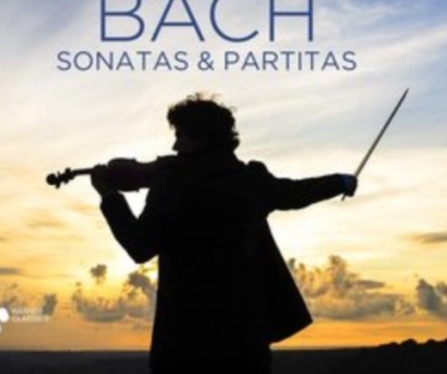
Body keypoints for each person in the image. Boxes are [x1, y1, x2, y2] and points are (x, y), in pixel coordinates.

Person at [91, 93, 357, 374]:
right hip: (246, 341)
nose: (174, 146)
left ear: (201, 136)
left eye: (180, 136)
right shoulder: (248, 180)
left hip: (185, 343)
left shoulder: (172, 185)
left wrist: (109, 196)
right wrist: (340, 181)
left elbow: (139, 246)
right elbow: (296, 192)